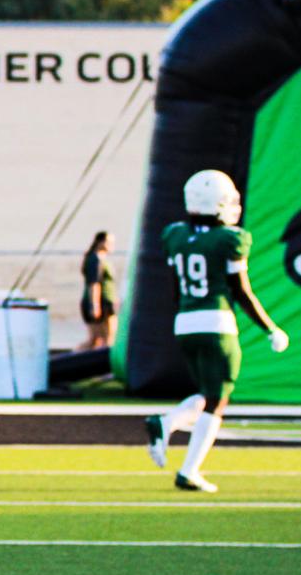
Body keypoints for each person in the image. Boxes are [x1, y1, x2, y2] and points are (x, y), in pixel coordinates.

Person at [145, 169, 288, 493]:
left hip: (186, 321)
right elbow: (241, 291)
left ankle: (166, 425)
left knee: (208, 394)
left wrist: (181, 317)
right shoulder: (229, 239)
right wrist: (270, 327)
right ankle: (188, 468)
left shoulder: (175, 235)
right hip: (216, 322)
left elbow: (173, 289)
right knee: (218, 400)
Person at [80, 230, 117, 350]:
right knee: (104, 339)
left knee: (98, 340)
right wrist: (95, 305)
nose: (112, 245)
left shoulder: (103, 258)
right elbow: (94, 283)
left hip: (107, 301)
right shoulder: (95, 259)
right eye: (109, 242)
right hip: (102, 302)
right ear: (100, 242)